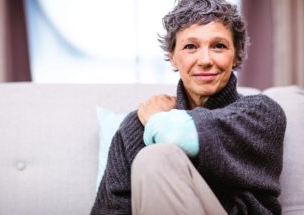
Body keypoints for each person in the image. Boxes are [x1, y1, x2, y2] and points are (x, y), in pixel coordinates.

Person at [91, 0, 286, 214]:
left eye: (218, 46)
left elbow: (177, 135)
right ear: (173, 57)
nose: (205, 60)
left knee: (155, 159)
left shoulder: (262, 115)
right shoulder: (135, 127)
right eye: (190, 46)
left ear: (236, 54)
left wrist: (157, 120)